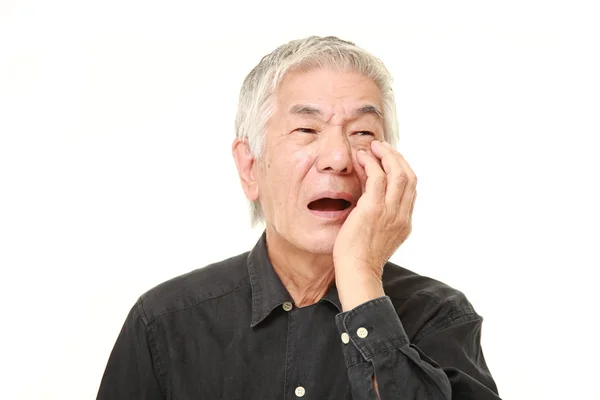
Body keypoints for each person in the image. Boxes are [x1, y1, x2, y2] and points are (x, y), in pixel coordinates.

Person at [97, 36, 500, 399]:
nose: (339, 159)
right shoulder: (165, 323)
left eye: (362, 133)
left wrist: (360, 274)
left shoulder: (439, 316)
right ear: (250, 166)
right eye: (307, 129)